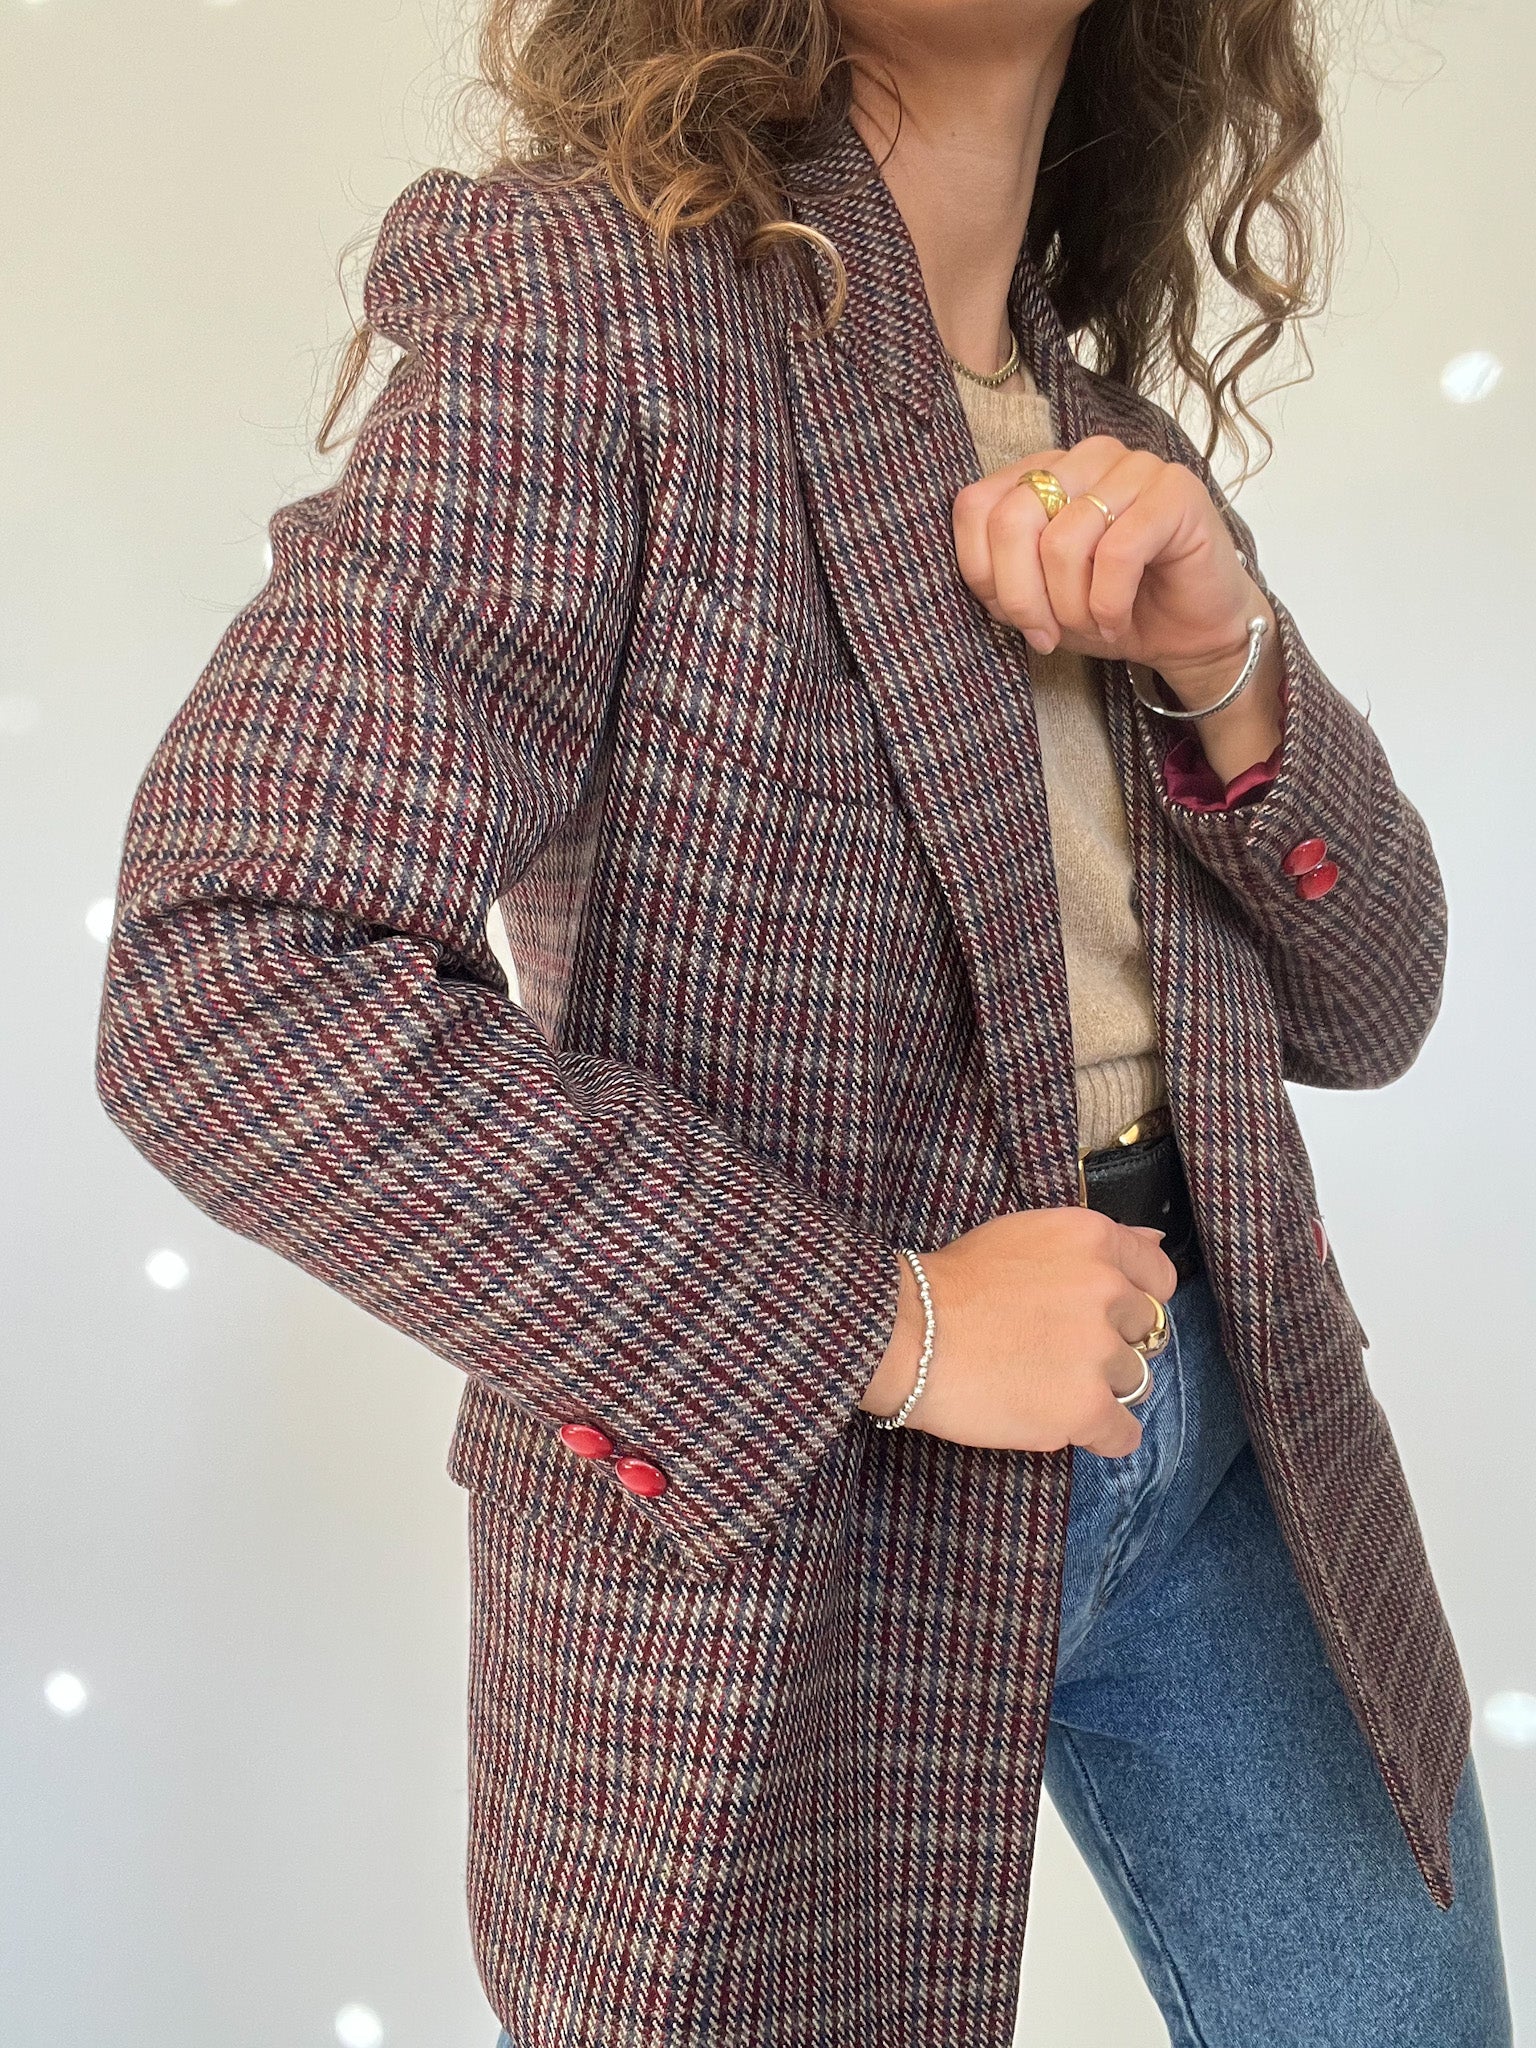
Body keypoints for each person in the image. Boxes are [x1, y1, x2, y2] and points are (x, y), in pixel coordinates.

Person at [95, 0, 1514, 2040]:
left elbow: (1377, 1002)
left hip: (1232, 1424)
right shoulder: (598, 306)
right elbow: (230, 976)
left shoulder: (1117, 443)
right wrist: (886, 1322)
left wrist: (1231, 661)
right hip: (795, 1493)